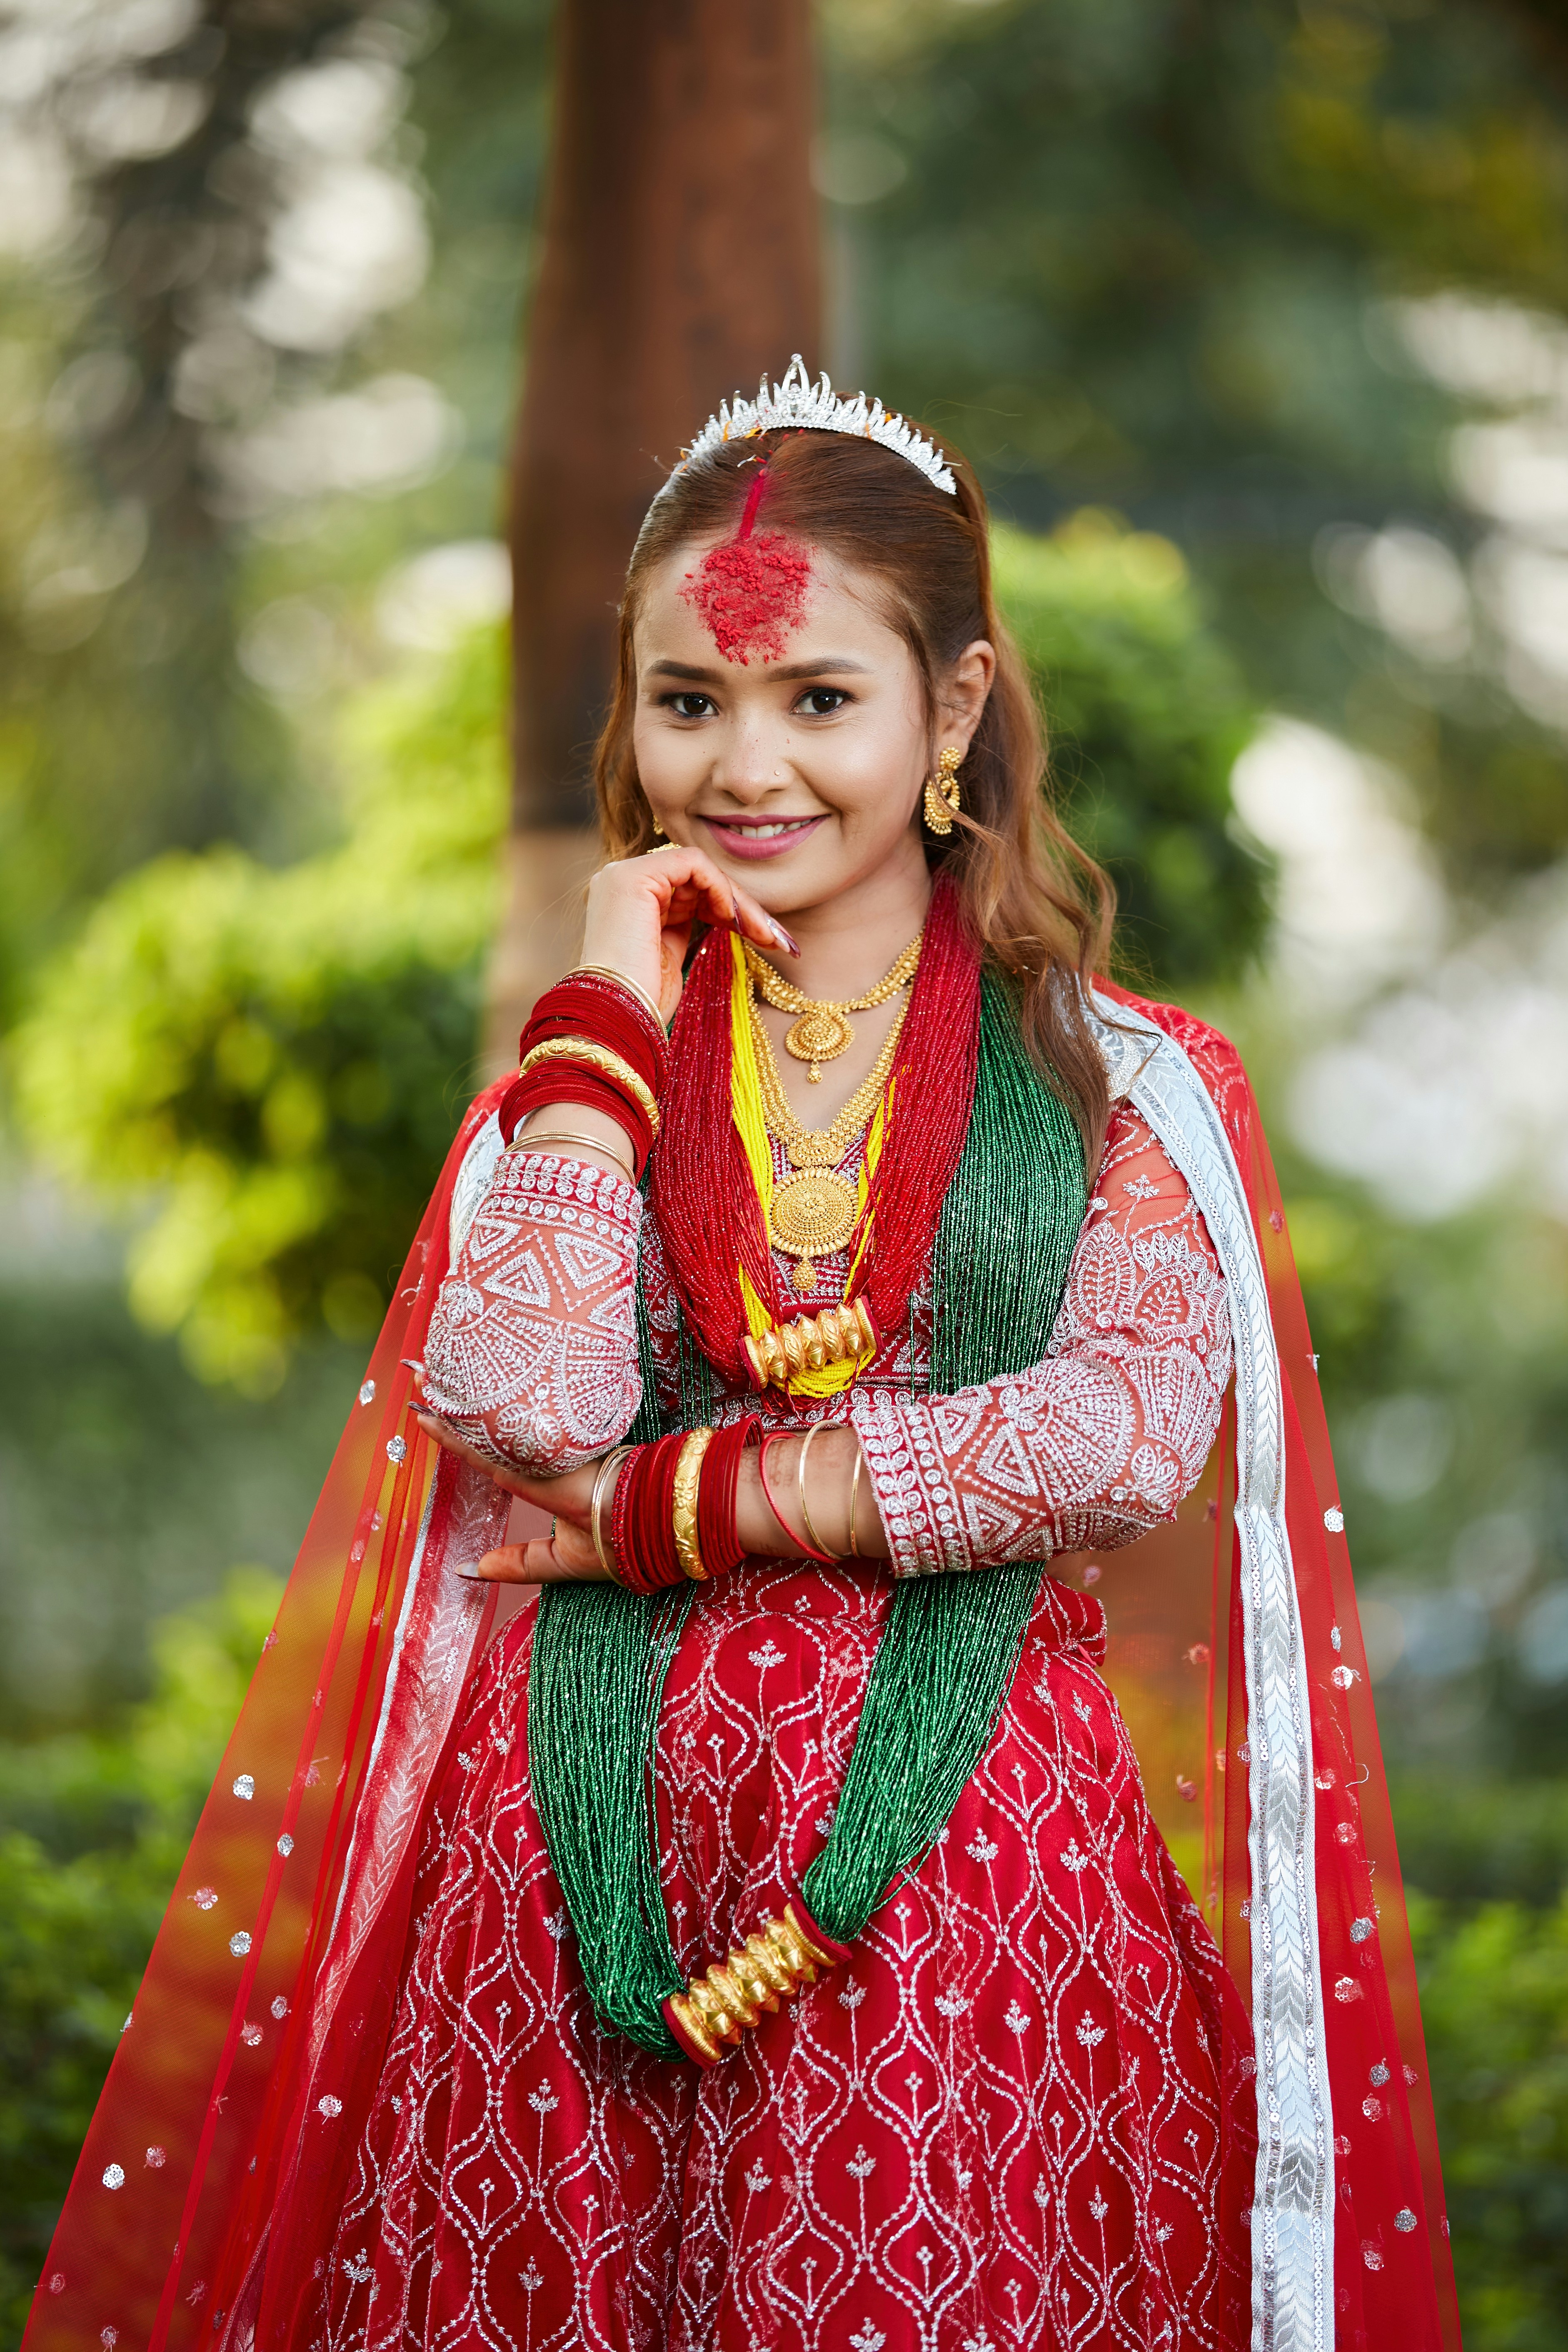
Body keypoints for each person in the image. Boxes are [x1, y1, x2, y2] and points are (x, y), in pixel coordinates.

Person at [26, 362, 1461, 2352]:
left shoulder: (1122, 1078)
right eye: (686, 700)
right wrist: (607, 1012)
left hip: (953, 1887)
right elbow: (518, 1398)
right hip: (565, 1881)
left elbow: (1114, 1433)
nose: (744, 765)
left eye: (817, 700)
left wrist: (670, 1502)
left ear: (952, 709)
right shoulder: (585, 1078)